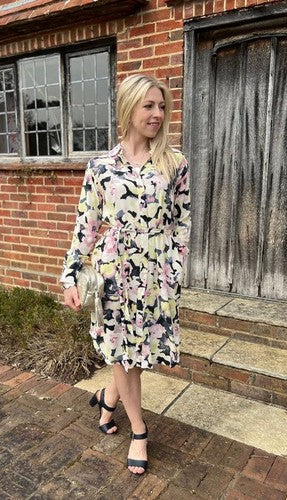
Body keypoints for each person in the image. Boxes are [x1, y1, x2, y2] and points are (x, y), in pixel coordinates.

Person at [60, 73, 191, 476]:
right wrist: (70, 276)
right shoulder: (100, 167)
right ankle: (139, 430)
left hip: (156, 273)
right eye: (148, 105)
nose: (157, 114)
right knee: (123, 350)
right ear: (128, 109)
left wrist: (175, 267)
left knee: (139, 349)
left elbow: (182, 221)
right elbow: (86, 225)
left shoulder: (175, 163)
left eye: (162, 106)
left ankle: (107, 399)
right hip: (113, 272)